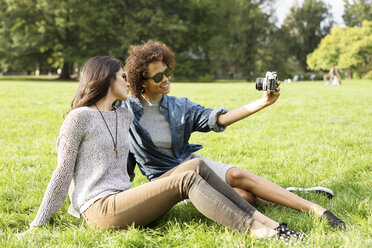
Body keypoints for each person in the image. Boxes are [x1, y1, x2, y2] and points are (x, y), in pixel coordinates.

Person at [19, 56, 305, 242]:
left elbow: (128, 159)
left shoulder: (124, 115)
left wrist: (263, 101)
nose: (127, 82)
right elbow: (61, 173)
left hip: (123, 199)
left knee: (196, 166)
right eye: (122, 76)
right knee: (187, 178)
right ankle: (256, 230)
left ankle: (269, 223)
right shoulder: (79, 118)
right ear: (105, 80)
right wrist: (36, 225)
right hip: (98, 209)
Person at [123, 41, 346, 229]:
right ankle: (282, 194)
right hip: (166, 181)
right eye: (158, 76)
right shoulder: (126, 112)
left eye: (167, 71)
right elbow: (123, 156)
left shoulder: (179, 106)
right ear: (141, 82)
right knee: (244, 196)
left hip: (190, 164)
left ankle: (315, 209)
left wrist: (263, 102)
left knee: (241, 183)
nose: (166, 79)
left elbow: (217, 118)